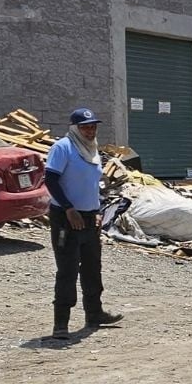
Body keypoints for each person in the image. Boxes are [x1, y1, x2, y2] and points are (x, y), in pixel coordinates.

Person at [44, 108, 123, 340]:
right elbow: (51, 180)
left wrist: (96, 211)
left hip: (89, 218)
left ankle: (94, 313)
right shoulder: (63, 148)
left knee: (92, 268)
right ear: (74, 128)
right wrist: (69, 209)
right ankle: (61, 324)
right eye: (85, 127)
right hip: (66, 218)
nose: (90, 131)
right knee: (67, 270)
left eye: (93, 127)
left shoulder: (92, 150)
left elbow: (91, 184)